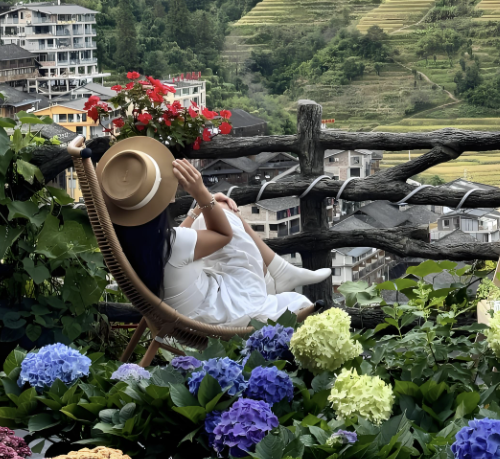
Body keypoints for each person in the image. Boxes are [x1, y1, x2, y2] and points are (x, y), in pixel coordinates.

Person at [71, 135, 329, 327]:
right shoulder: (174, 244)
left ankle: (279, 270)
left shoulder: (122, 241)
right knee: (227, 215)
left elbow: (174, 249)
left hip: (180, 310)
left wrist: (197, 211)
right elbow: (224, 235)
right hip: (215, 315)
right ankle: (279, 270)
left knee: (214, 214)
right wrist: (201, 193)